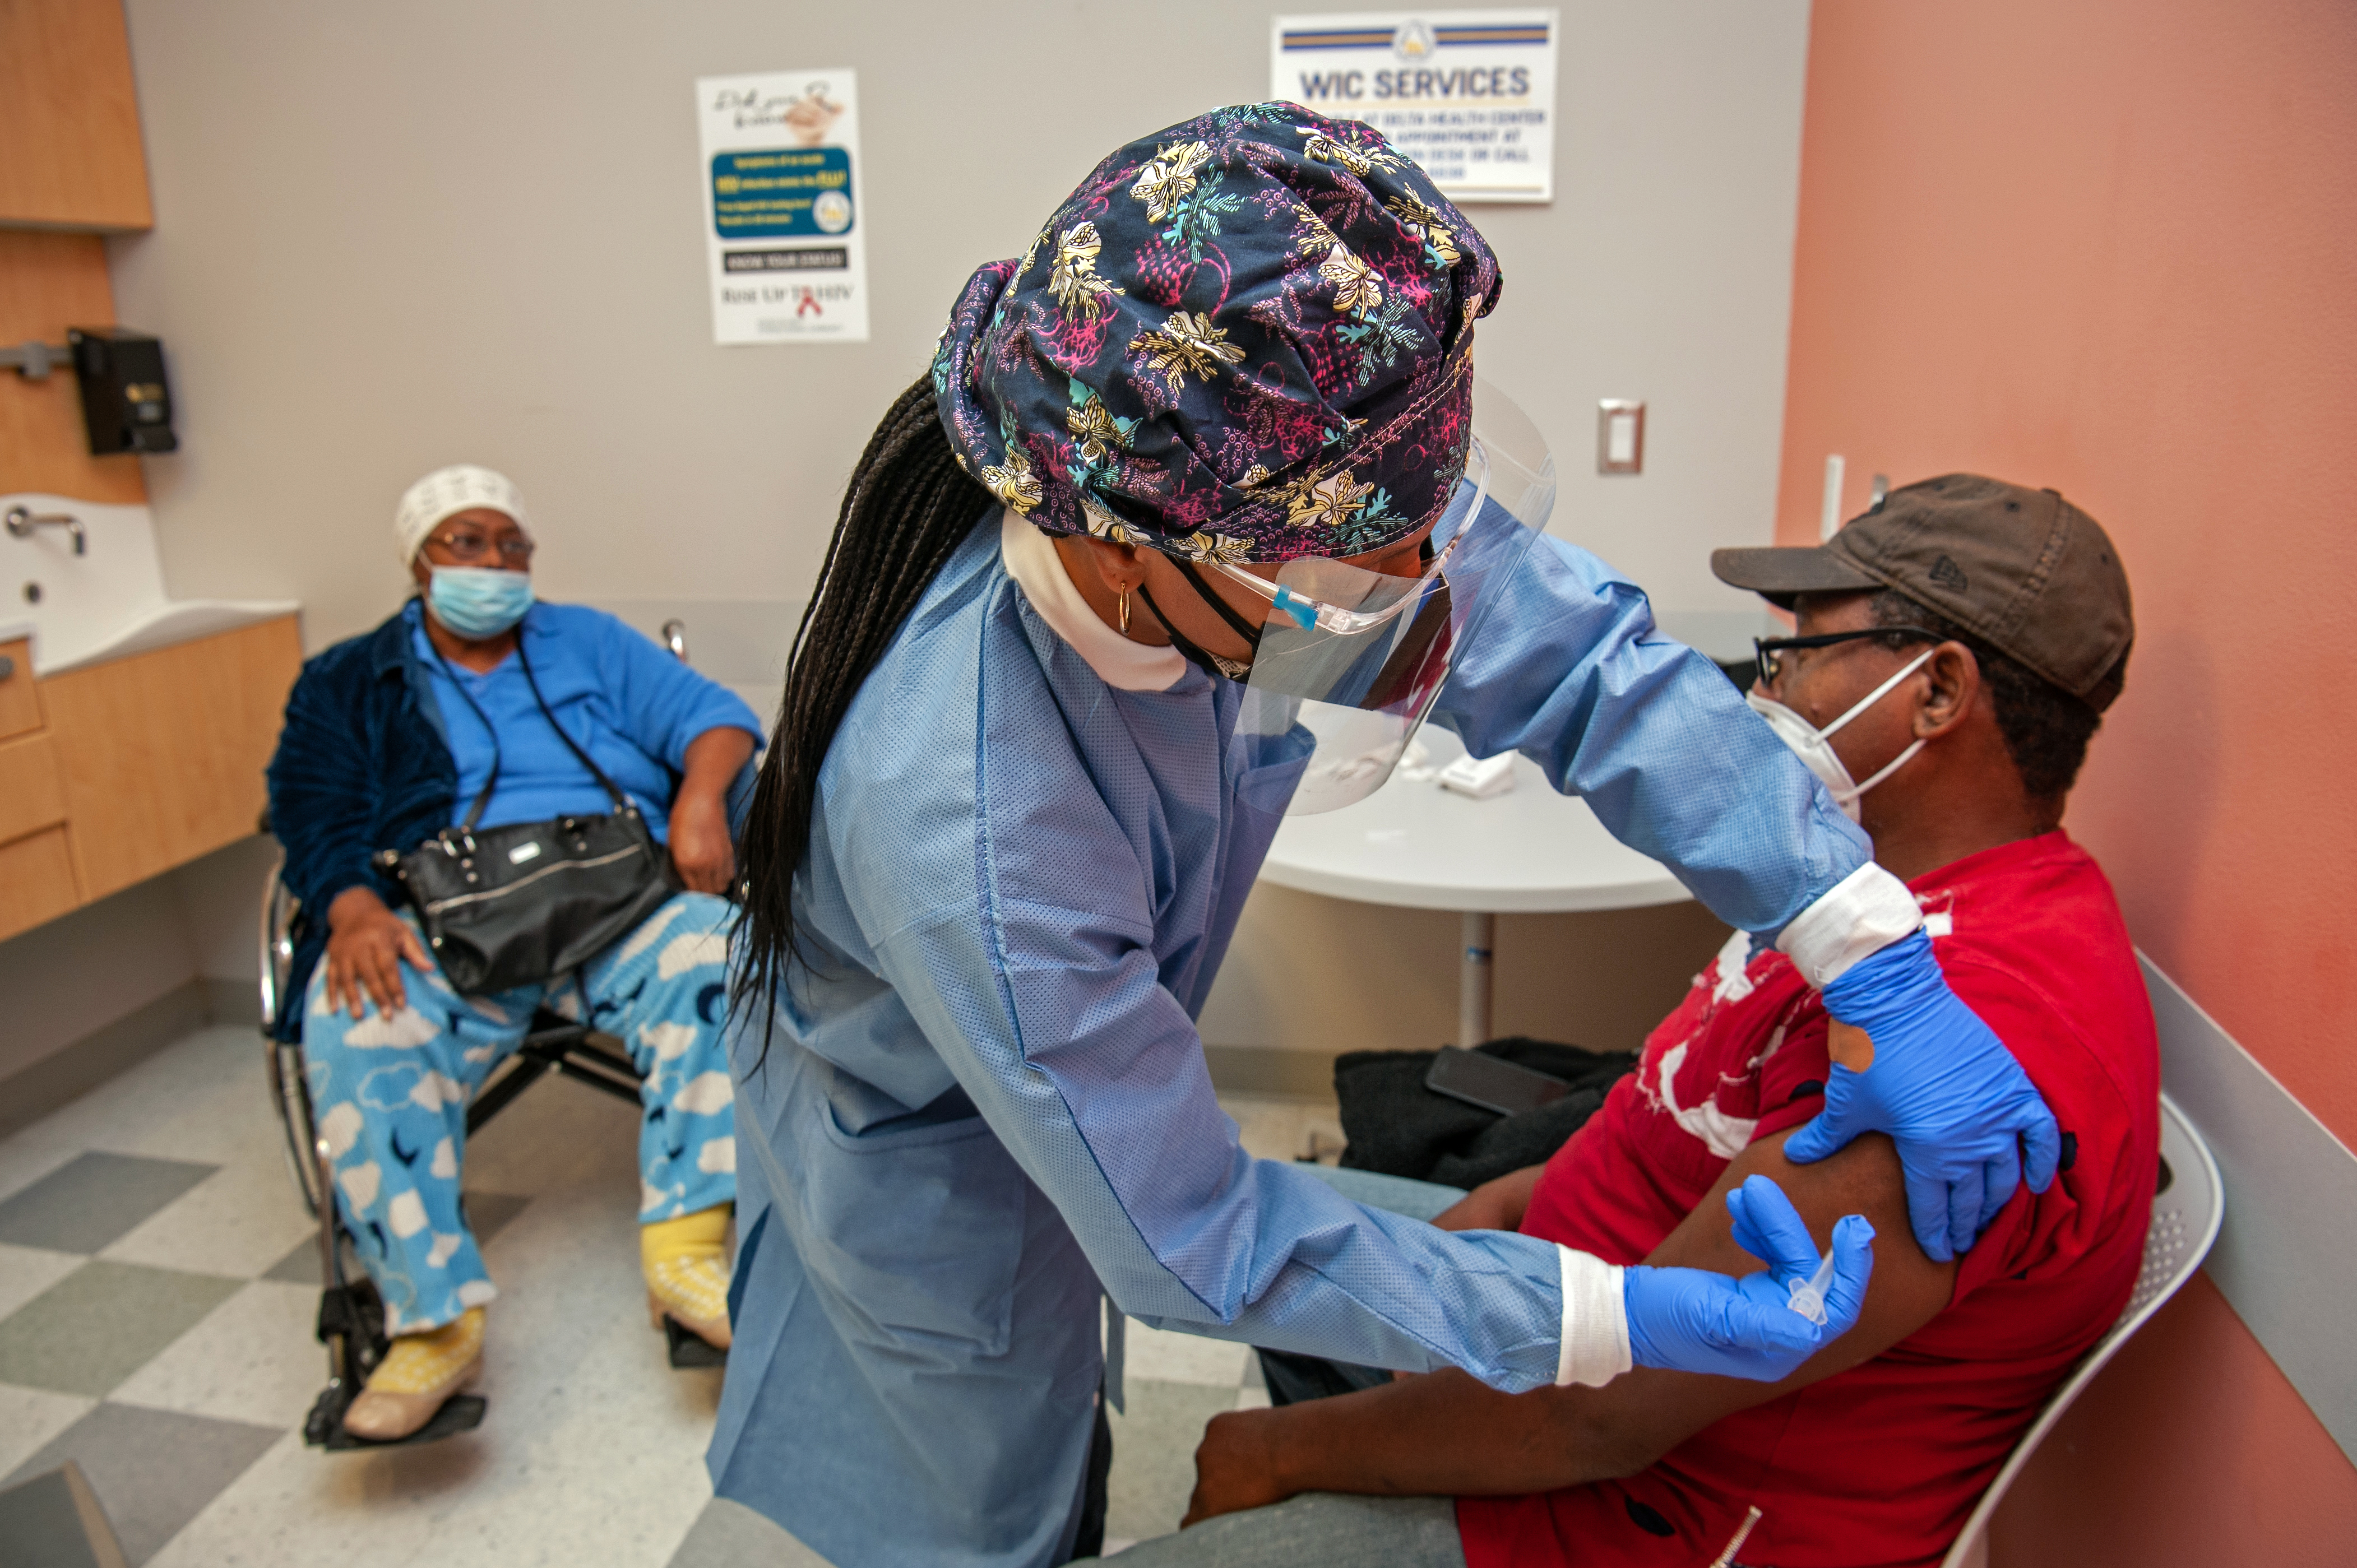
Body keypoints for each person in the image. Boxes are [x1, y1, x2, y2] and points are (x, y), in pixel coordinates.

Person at [711, 106, 2058, 1568]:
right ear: (1120, 548)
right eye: (1363, 572)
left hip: (1065, 1074)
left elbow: (1577, 663)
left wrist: (1861, 938)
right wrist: (1603, 1317)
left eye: (1428, 528)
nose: (1423, 582)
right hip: (926, 1179)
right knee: (971, 1497)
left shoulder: (1282, 474)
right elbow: (1192, 1237)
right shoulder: (968, 815)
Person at [1133, 475, 2154, 1568]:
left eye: (1797, 654)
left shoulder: (1959, 1065)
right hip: (1571, 1326)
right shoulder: (1866, 898)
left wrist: (1276, 1455)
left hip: (1636, 1506)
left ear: (1937, 691)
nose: (1768, 690)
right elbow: (1680, 1116)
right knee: (1246, 1238)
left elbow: (1605, 1417)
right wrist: (1511, 1201)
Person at [265, 464, 763, 1441]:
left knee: (719, 953)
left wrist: (701, 799)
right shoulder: (349, 678)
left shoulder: (586, 642)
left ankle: (687, 1252)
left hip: (616, 903)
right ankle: (432, 1322)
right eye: (467, 542)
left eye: (511, 544)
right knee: (355, 1011)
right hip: (446, 918)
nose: (493, 563)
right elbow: (311, 809)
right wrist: (353, 907)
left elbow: (715, 716)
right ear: (419, 560)